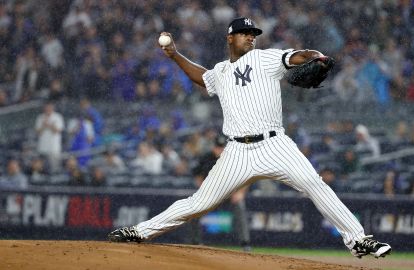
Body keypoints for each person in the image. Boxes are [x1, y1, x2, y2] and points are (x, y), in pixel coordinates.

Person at [108, 17, 391, 258]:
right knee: (198, 204)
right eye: (245, 34)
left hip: (274, 144)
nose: (250, 38)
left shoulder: (264, 58)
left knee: (313, 183)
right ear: (230, 38)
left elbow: (297, 56)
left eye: (253, 34)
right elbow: (203, 77)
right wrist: (175, 56)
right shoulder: (220, 71)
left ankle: (357, 240)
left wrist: (316, 56)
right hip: (236, 152)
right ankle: (139, 232)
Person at [189, 135, 251, 251]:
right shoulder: (206, 158)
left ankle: (245, 243)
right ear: (214, 147)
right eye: (218, 147)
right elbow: (197, 174)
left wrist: (240, 193)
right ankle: (195, 242)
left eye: (222, 147)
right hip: (211, 194)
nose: (220, 150)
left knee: (240, 207)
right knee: (194, 209)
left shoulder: (234, 159)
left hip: (229, 194)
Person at [35, 103, 64, 172]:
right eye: (46, 108)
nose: (47, 109)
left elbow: (58, 131)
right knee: (42, 167)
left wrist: (49, 125)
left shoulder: (57, 117)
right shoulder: (40, 117)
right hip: (42, 147)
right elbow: (38, 132)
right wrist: (43, 125)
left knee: (54, 168)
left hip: (53, 147)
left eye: (49, 108)